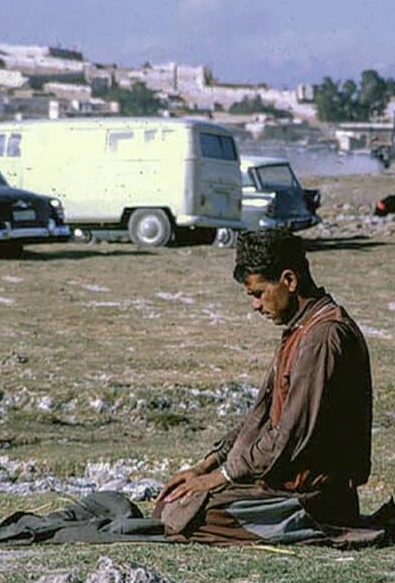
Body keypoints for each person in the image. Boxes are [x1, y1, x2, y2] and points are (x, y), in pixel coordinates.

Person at [154, 229, 374, 544]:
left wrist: (221, 478)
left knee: (185, 514)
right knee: (176, 502)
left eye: (259, 293)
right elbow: (262, 418)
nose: (256, 306)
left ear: (289, 281)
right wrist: (206, 466)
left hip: (314, 499)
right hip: (283, 486)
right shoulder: (301, 329)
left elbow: (288, 436)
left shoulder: (323, 337)